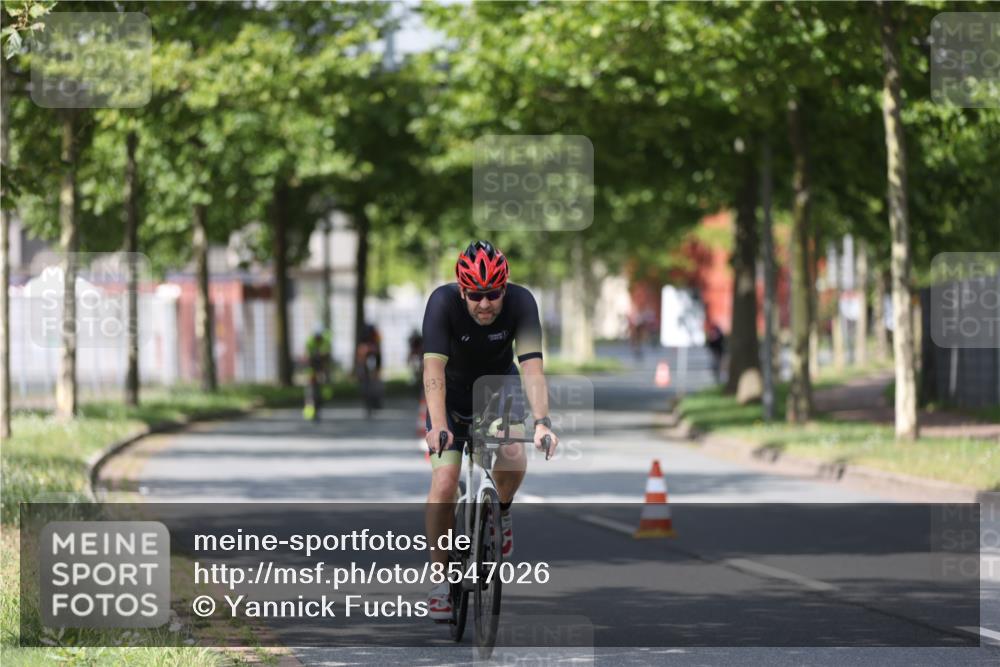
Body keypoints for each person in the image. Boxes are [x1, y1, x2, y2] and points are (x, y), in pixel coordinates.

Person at [421, 240, 560, 620]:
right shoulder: (442, 303)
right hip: (449, 396)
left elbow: (532, 367)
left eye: (493, 294)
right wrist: (440, 427)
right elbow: (433, 371)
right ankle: (439, 579)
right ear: (462, 290)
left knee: (514, 454)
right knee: (445, 481)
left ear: (505, 287)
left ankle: (502, 510)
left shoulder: (521, 303)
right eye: (477, 295)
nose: (485, 304)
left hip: (498, 391)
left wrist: (542, 422)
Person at [303, 327, 331, 421]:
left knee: (324, 380)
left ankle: (323, 397)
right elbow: (307, 357)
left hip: (321, 365)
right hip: (311, 365)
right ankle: (309, 409)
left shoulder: (325, 340)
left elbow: (326, 355)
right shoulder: (310, 341)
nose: (318, 338)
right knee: (310, 389)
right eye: (317, 337)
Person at [355, 323, 383, 417]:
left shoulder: (376, 336)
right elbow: (360, 353)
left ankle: (377, 400)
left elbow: (379, 353)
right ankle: (367, 400)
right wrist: (360, 369)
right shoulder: (362, 338)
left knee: (376, 381)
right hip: (365, 359)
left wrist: (378, 369)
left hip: (374, 357)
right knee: (365, 381)